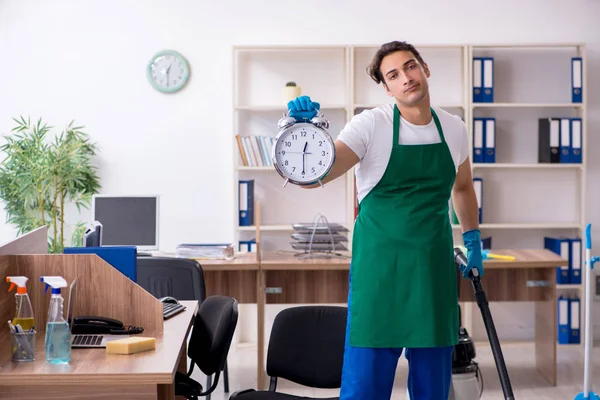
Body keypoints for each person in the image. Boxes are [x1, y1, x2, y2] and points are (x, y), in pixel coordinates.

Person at [286, 40, 484, 399]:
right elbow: (317, 176)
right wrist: (303, 131)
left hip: (432, 273)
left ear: (425, 68)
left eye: (410, 67)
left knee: (432, 388)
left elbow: (464, 188)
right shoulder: (370, 126)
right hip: (380, 275)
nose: (406, 78)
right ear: (386, 87)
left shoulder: (454, 128)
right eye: (394, 74)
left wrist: (472, 240)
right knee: (366, 387)